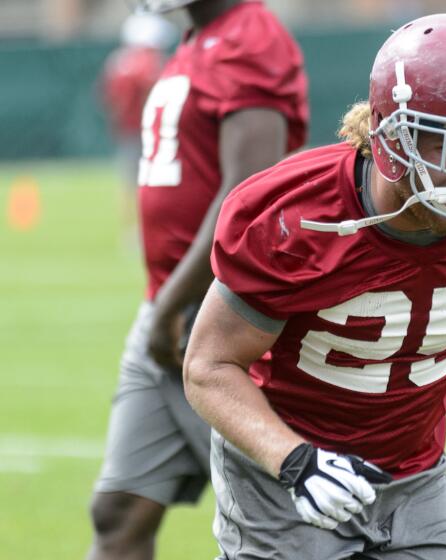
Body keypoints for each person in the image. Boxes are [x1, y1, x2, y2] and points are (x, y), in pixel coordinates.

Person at [182, 13, 446, 559]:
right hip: (286, 476)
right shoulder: (297, 219)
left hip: (414, 473)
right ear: (393, 137)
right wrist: (294, 461)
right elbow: (208, 367)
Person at [87, 1, 309, 558]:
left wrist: (171, 307)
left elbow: (248, 198)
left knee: (288, 530)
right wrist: (162, 307)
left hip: (223, 318)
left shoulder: (249, 37)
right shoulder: (198, 36)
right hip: (166, 310)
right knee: (119, 511)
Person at [99, 10, 175, 246]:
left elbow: (108, 98)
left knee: (129, 183)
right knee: (153, 182)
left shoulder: (117, 62)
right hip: (149, 130)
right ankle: (146, 229)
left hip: (128, 129)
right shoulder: (149, 62)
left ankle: (132, 230)